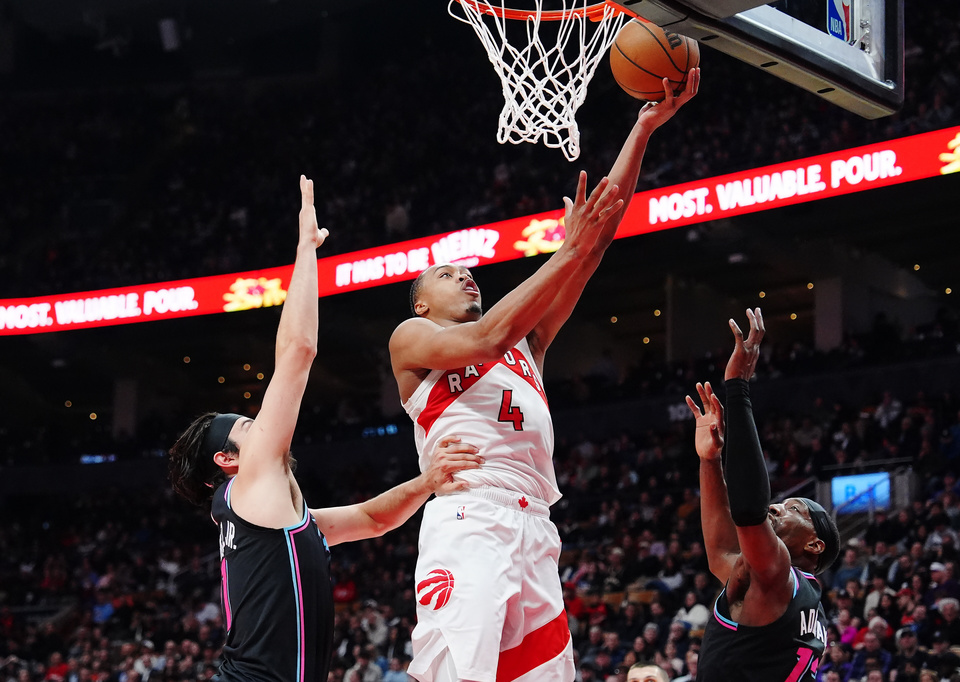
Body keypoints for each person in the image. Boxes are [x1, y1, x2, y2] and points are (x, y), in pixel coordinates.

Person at [388, 72, 700, 682]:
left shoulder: (527, 343)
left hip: (536, 523)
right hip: (469, 515)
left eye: (470, 272)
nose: (467, 277)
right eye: (450, 276)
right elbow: (485, 338)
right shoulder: (413, 338)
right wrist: (562, 252)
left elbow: (597, 237)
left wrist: (642, 127)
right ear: (422, 303)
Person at [168, 177, 482, 682]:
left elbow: (370, 519)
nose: (265, 428)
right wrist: (305, 250)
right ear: (227, 461)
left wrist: (426, 482)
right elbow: (298, 352)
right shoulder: (248, 486)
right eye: (250, 427)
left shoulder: (274, 521)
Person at [684, 309, 841, 682]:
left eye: (794, 508)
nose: (777, 506)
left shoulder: (778, 578)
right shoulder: (782, 592)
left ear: (815, 544)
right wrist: (710, 460)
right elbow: (721, 552)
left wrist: (737, 384)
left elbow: (750, 510)